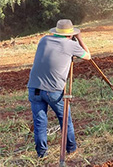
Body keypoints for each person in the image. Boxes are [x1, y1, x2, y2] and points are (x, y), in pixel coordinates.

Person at [27, 19, 91, 158]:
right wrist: (79, 38)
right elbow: (88, 56)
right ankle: (71, 149)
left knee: (39, 122)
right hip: (53, 90)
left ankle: (41, 154)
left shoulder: (44, 40)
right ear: (70, 34)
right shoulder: (70, 45)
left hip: (34, 87)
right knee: (65, 119)